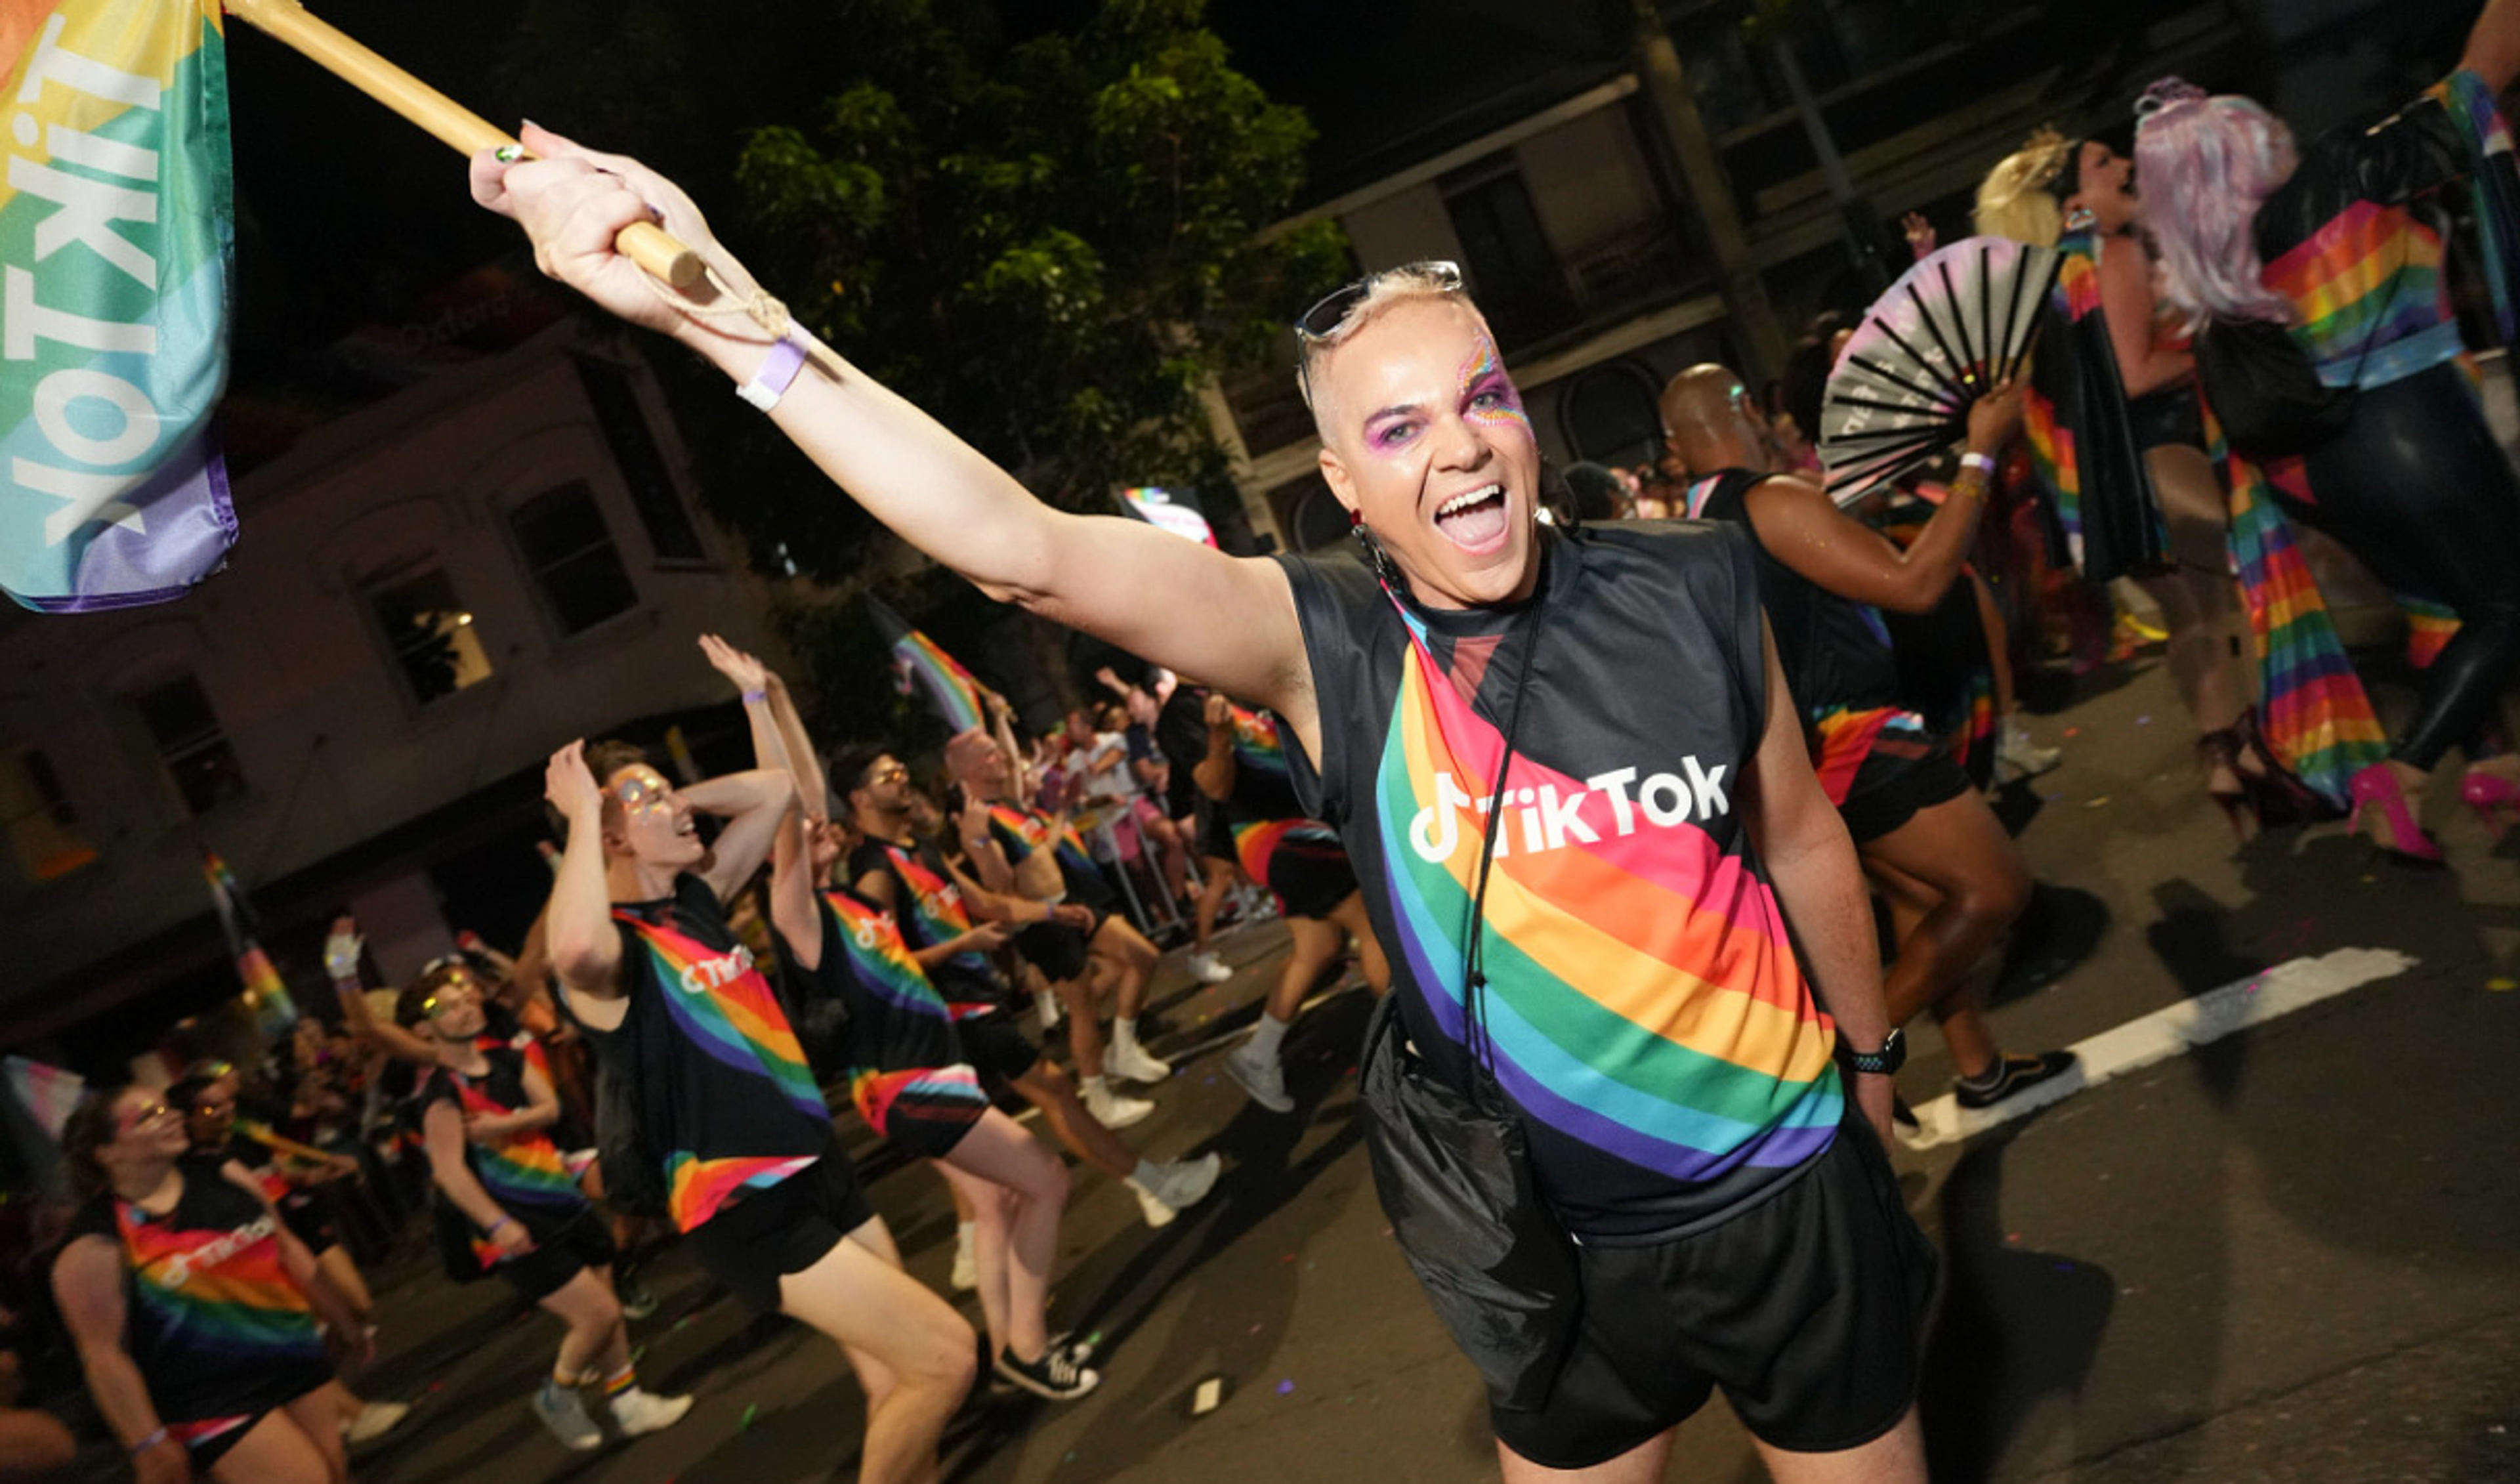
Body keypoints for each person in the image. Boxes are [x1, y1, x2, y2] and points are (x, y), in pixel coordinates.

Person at [474, 139, 1944, 1480]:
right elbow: (1020, 550)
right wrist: (711, 303)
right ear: (1345, 487)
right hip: (1551, 1249)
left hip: (1785, 1197)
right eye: (1397, 426)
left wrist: (1869, 1071)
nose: (1459, 445)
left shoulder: (1692, 582)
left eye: (1483, 396)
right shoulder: (1323, 643)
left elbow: (1804, 834)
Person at [2134, 0, 2520, 861]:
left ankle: (2498, 767)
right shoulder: (2340, 173)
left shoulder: (2215, 272)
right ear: (2255, 146)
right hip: (2412, 439)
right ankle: (2403, 776)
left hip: (2320, 475)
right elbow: (2473, 90)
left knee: (2440, 610)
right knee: (2506, 605)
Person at [536, 730, 974, 1484]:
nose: (674, 807)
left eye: (669, 790)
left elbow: (775, 792)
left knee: (897, 1379)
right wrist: (583, 813)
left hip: (820, 1167)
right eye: (648, 800)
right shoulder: (616, 959)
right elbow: (572, 948)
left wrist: (667, 797)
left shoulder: (695, 904)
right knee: (946, 1358)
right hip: (746, 1203)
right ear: (607, 834)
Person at [1666, 364, 2076, 1122]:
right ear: (1746, 408)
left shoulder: (1684, 529)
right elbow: (1917, 582)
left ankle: (1978, 1065)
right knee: (1995, 887)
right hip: (1853, 737)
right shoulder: (1770, 500)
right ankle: (1845, 1071)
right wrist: (1981, 453)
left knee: (1919, 899)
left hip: (1793, 759)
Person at [1973, 129, 2326, 832]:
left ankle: (2220, 753)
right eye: (2104, 165)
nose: (2126, 167)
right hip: (2162, 454)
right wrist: (2212, 347)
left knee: (2189, 617)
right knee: (2239, 599)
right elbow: (2136, 374)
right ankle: (2265, 751)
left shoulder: (2036, 287)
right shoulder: (2115, 252)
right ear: (2073, 200)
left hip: (2102, 490)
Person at [829, 741, 1223, 1233]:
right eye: (888, 777)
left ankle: (975, 1246)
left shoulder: (918, 850)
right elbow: (881, 969)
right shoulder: (874, 872)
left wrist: (1054, 911)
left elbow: (988, 902)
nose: (903, 780)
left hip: (975, 1003)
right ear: (859, 798)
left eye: (902, 769)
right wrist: (962, 945)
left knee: (974, 1143)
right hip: (953, 1013)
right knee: (1055, 1092)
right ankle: (1156, 1185)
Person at [398, 965, 692, 1448]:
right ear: (423, 1030)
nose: (465, 1005)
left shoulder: (506, 1061)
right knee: (596, 1314)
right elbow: (450, 1172)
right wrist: (498, 1223)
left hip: (563, 1202)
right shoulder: (441, 1095)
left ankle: (628, 1400)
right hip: (516, 1223)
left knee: (609, 1309)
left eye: (466, 997)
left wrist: (499, 1126)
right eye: (446, 1006)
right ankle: (558, 1391)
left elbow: (550, 1107)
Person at [53, 1086, 367, 1484]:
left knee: (337, 1474)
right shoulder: (95, 1242)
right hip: (213, 1399)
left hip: (292, 1354)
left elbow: (286, 1247)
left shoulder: (223, 1172)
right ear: (106, 1152)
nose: (170, 1117)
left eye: (167, 1108)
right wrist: (146, 1442)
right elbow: (103, 1355)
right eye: (148, 1116)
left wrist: (343, 1319)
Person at [944, 713, 1173, 1122]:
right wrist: (979, 843)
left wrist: (997, 715)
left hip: (1071, 904)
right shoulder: (978, 821)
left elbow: (1041, 847)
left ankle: (1123, 1048)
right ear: (973, 768)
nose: (1003, 757)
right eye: (991, 753)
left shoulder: (1009, 804)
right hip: (1043, 924)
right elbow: (999, 888)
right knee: (1083, 1007)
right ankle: (1099, 1096)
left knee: (1143, 956)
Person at [168, 1071, 410, 1449]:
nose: (225, 1111)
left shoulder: (242, 1138)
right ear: (187, 1118)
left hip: (298, 1227)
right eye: (212, 1106)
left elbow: (279, 1169)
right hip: (265, 1259)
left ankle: (318, 1402)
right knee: (308, 1330)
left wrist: (315, 1171)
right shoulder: (192, 1175)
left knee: (355, 1306)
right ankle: (341, 1410)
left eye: (227, 1101)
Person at [1193, 692, 1392, 1113]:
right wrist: (1216, 735)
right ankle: (1416, 1048)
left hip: (1300, 828)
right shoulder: (1187, 705)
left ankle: (1258, 1053)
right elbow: (1214, 784)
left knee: (1316, 947)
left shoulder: (1241, 684)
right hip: (1277, 836)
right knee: (1376, 924)